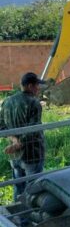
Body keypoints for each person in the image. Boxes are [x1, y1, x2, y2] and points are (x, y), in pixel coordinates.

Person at [0, 72, 46, 201]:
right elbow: (34, 130)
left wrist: (14, 142)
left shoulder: (7, 101)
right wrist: (18, 142)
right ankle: (29, 217)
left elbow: (1, 126)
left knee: (18, 187)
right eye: (37, 85)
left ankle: (19, 217)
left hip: (14, 155)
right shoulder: (33, 103)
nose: (39, 88)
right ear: (30, 86)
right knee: (33, 189)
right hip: (32, 154)